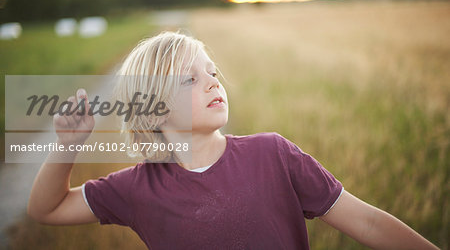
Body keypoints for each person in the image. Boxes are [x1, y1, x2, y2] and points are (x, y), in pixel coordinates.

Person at [27, 31, 439, 249]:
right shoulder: (138, 187)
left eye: (213, 72)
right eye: (190, 78)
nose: (211, 82)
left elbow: (366, 220)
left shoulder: (272, 154)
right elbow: (47, 209)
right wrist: (68, 146)